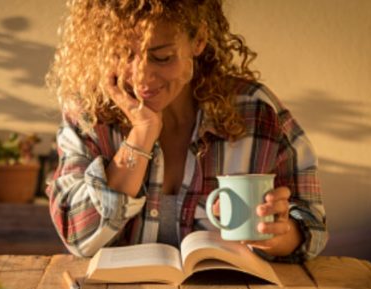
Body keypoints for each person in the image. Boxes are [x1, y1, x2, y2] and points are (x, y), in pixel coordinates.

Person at [45, 0, 327, 263]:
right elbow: (78, 236)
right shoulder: (90, 113)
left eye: (162, 57)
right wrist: (142, 135)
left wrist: (280, 234)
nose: (142, 76)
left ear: (199, 40)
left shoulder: (256, 111)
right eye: (123, 54)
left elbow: (312, 225)